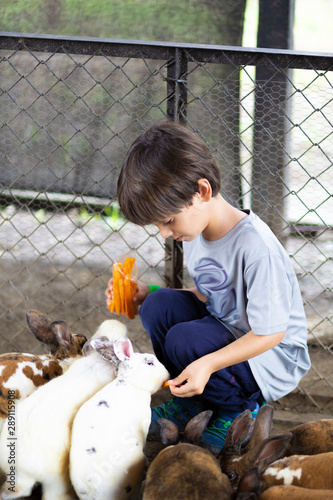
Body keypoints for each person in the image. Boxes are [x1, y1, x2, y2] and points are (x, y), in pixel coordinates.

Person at [107, 120, 311, 455]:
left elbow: (271, 333)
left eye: (167, 220)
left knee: (185, 340)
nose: (163, 232)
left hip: (270, 356)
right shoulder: (196, 232)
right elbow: (210, 298)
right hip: (231, 331)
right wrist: (147, 293)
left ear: (201, 191)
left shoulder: (255, 247)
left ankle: (236, 410)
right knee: (159, 307)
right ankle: (196, 401)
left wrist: (208, 363)